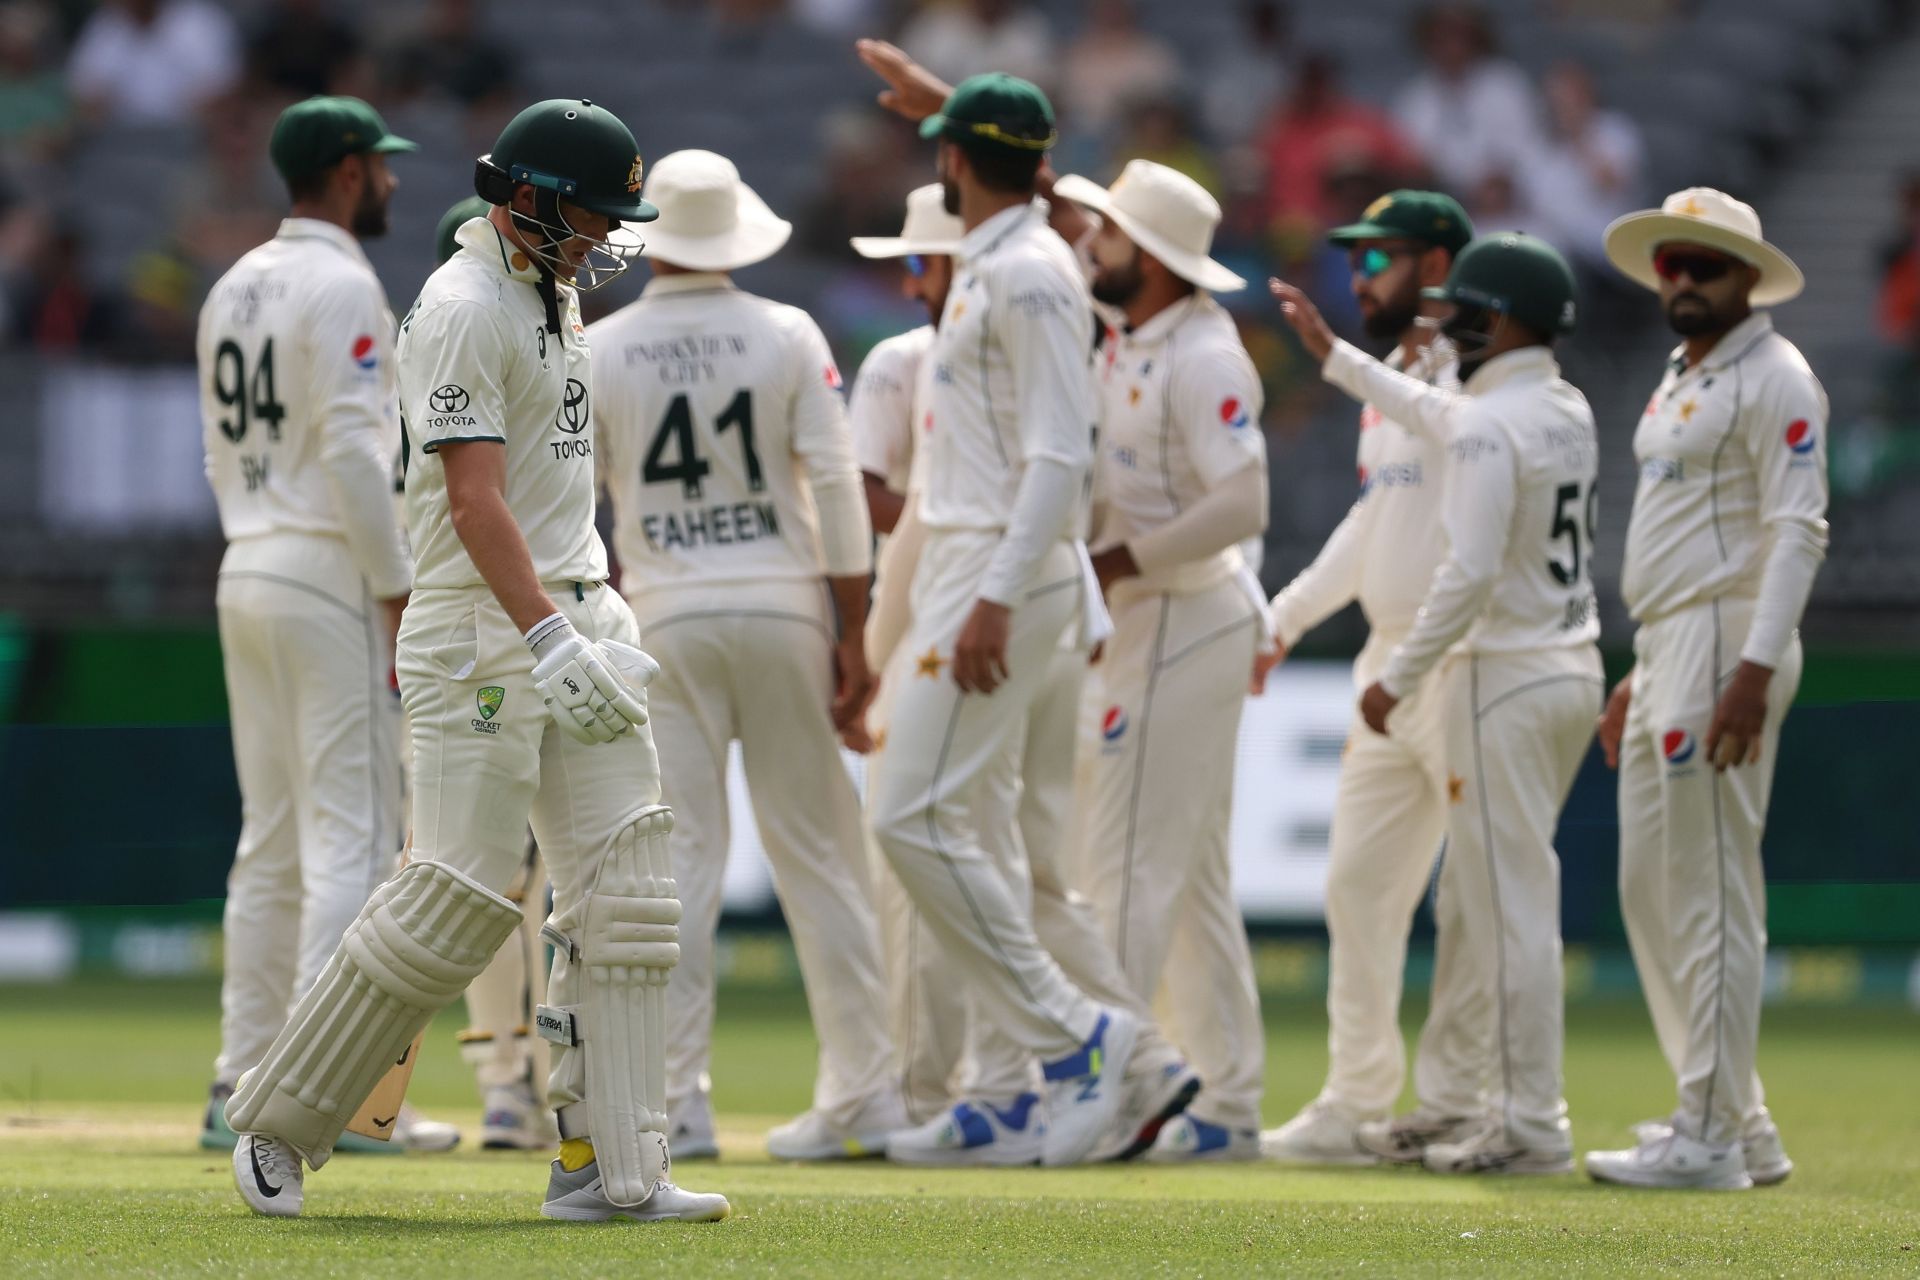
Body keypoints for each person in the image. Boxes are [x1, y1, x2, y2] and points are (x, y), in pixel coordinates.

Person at [224, 98, 728, 1225]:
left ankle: (607, 1163)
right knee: (453, 895)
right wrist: (547, 632)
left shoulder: (552, 291)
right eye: (591, 215)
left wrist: (590, 612)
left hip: (572, 613)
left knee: (627, 893)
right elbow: (473, 497)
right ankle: (280, 1120)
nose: (604, 238)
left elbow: (550, 493)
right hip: (478, 628)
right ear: (532, 200)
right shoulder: (457, 306)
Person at [850, 180, 1201, 1166]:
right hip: (1060, 615)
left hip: (993, 606)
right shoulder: (1043, 301)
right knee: (1026, 868)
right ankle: (1115, 1062)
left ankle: (1037, 1065)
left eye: (920, 261)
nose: (913, 279)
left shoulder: (946, 346)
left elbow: (915, 521)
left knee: (942, 833)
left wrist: (871, 659)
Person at [592, 147, 903, 1163]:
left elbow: (576, 502)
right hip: (780, 606)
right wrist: (853, 629)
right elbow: (839, 488)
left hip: (665, 614)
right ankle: (865, 1094)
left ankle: (672, 1103)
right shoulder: (787, 331)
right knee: (823, 857)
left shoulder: (603, 345)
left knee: (677, 865)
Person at [1271, 230, 1603, 1175]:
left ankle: (1531, 1124)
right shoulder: (1562, 405)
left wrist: (1397, 676)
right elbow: (1429, 408)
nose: (1447, 327)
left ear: (1500, 321)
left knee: (1504, 911)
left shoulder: (1492, 424)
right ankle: (1462, 1100)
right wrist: (1338, 360)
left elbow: (1466, 573)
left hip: (1500, 672)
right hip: (1566, 663)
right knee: (1487, 903)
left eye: (1463, 313)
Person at [197, 95, 458, 1157]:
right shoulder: (343, 279)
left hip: (246, 556)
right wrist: (396, 588)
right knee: (351, 835)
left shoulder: (233, 281)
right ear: (348, 172)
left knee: (270, 844)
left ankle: (238, 1078)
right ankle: (318, 1092)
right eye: (381, 166)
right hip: (324, 567)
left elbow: (219, 446)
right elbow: (357, 452)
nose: (392, 182)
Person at [1585, 188, 1825, 1190]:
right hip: (1672, 644)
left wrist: (1751, 673)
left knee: (1715, 892)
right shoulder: (1684, 370)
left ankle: (1708, 1135)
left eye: (1705, 265)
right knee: (1653, 886)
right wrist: (1645, 668)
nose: (1683, 280)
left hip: (1729, 642)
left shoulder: (1778, 378)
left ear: (1750, 276)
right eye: (1672, 263)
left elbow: (1797, 528)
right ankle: (1740, 1117)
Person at [1256, 191, 1492, 1167]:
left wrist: (1340, 363)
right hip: (1384, 665)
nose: (1359, 277)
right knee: (1357, 888)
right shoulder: (1396, 374)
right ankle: (1356, 1100)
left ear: (1438, 265)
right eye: (1354, 259)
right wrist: (1283, 617)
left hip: (1464, 659)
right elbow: (1375, 525)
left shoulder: (1482, 372)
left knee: (1472, 896)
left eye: (1380, 258)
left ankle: (1465, 1102)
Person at [1051, 159, 1270, 1161]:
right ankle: (1226, 1099)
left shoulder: (1207, 356)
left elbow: (1243, 504)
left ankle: (1121, 1087)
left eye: (1109, 234)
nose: (1093, 245)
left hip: (1186, 616)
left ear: (1151, 254)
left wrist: (1117, 558)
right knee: (1191, 879)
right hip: (1150, 620)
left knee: (1128, 866)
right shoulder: (1133, 339)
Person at [421, 193, 561, 1154]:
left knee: (504, 874)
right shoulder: (469, 331)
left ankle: (521, 1082)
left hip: (495, 625)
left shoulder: (510, 346)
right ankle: (513, 1082)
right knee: (481, 876)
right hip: (483, 633)